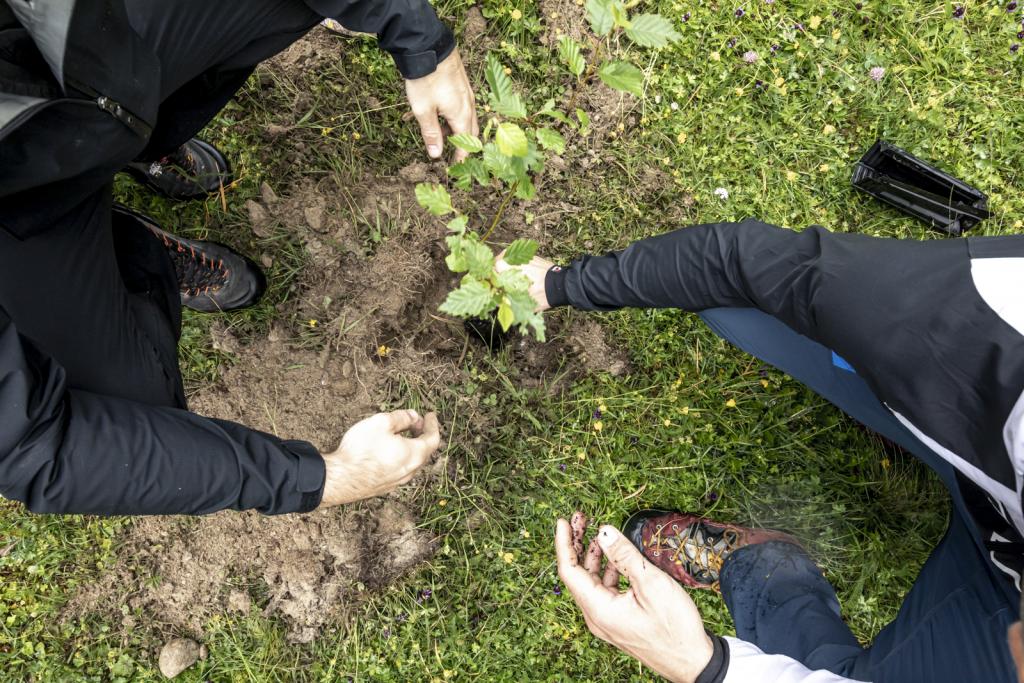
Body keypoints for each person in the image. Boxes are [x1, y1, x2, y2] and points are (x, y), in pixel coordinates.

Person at [0, 0, 479, 515]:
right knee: (136, 411)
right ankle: (123, 250)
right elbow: (36, 448)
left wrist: (419, 37)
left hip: (60, 52)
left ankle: (134, 135)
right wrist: (321, 477)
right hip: (19, 220)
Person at [498, 218, 1024, 682]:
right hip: (985, 438)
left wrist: (702, 666)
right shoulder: (995, 318)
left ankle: (765, 571)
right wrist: (556, 284)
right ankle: (916, 420)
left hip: (1005, 600)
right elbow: (744, 263)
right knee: (735, 303)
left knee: (829, 671)